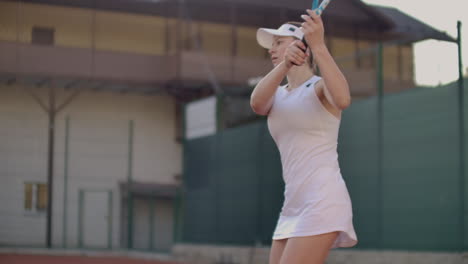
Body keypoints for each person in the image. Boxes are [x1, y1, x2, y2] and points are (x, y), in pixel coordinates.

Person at [250, 9, 358, 264]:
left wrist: (319, 44)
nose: (271, 49)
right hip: (292, 205)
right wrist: (286, 64)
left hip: (322, 199)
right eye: (272, 44)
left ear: (303, 48)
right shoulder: (276, 93)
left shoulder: (319, 87)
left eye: (279, 43)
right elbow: (257, 104)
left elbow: (342, 99)